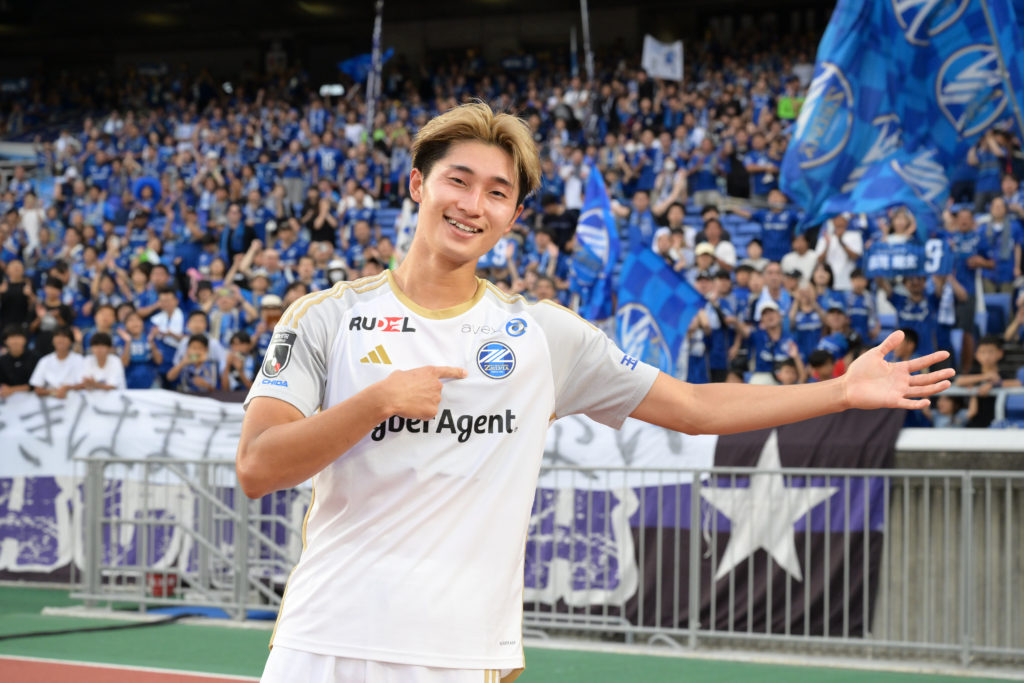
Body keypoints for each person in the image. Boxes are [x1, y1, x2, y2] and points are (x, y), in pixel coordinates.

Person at [236, 103, 953, 683]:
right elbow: (258, 466)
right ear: (419, 184)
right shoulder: (324, 316)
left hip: (455, 653)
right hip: (323, 639)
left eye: (497, 192)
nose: (473, 205)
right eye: (458, 180)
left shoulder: (543, 335)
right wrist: (377, 401)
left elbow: (693, 408)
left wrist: (839, 391)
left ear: (514, 216)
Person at [29, 326, 84, 398]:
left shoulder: (79, 359)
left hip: (74, 400)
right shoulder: (44, 361)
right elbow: (37, 389)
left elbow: (84, 384)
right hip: (50, 401)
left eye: (64, 337)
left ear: (71, 341)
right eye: (57, 336)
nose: (60, 340)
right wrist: (55, 393)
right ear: (53, 340)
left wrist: (67, 388)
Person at [0, 324, 37, 399]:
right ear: (5, 341)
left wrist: (12, 389)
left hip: (33, 397)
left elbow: (37, 384)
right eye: (12, 337)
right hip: (9, 399)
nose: (15, 341)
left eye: (18, 337)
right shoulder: (2, 361)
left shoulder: (35, 358)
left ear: (25, 339)